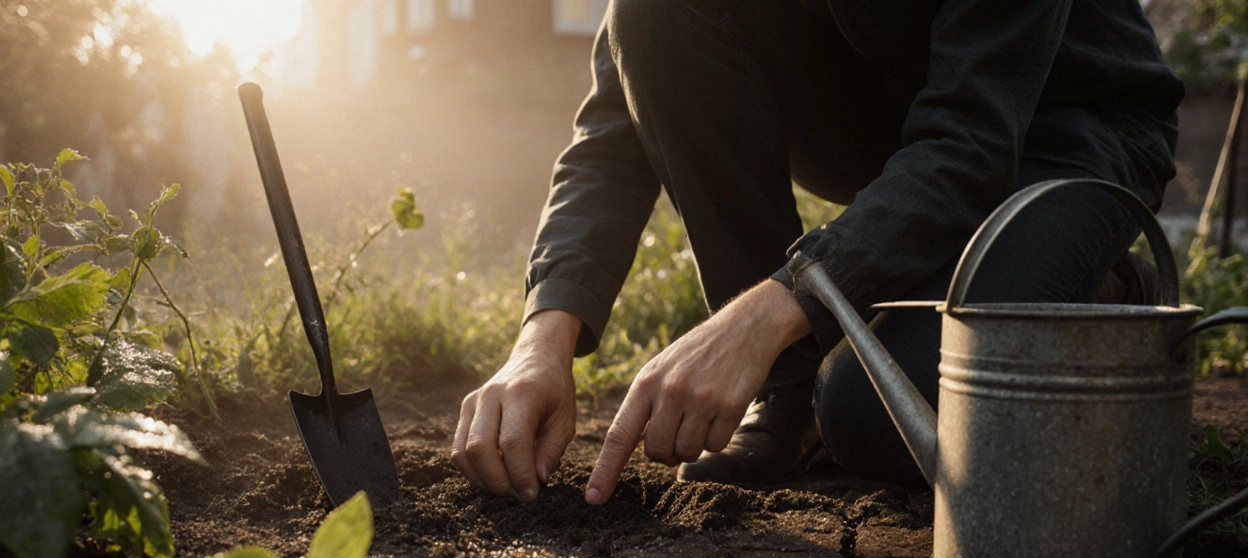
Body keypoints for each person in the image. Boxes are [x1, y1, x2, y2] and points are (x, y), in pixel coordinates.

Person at [451, 0, 1184, 504]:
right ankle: (788, 386)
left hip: (1067, 129)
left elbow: (973, 145)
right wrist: (542, 341)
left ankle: (1100, 284)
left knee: (874, 415)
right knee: (652, 14)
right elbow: (617, 126)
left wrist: (768, 310)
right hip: (894, 126)